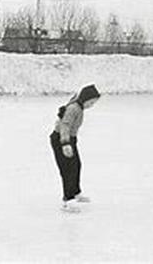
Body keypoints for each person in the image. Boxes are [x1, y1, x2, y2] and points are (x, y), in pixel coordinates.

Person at [50, 84, 101, 213]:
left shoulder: (78, 105)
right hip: (61, 139)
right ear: (85, 99)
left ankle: (76, 192)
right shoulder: (74, 108)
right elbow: (65, 125)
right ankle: (68, 200)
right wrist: (65, 144)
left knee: (76, 165)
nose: (91, 105)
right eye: (91, 102)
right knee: (67, 169)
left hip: (70, 139)